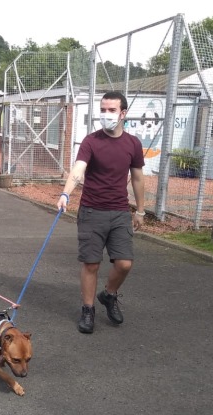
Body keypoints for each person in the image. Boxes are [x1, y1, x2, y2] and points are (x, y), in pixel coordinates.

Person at [56, 91, 145, 334]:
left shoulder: (133, 144)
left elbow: (137, 178)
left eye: (111, 110)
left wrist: (141, 210)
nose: (106, 114)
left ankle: (108, 294)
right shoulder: (91, 142)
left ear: (123, 113)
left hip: (119, 212)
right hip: (91, 211)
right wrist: (66, 194)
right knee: (91, 264)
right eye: (103, 110)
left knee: (125, 263)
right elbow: (78, 170)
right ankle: (88, 310)